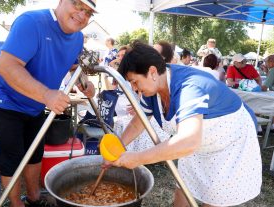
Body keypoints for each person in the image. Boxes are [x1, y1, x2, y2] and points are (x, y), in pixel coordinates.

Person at [110, 42, 261, 207]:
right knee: (183, 186)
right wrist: (117, 147)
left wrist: (137, 158)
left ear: (152, 72)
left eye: (134, 81)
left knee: (215, 197)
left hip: (228, 143)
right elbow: (138, 123)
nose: (134, 88)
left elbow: (188, 141)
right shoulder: (150, 89)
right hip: (195, 141)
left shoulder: (190, 86)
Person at [0, 0, 97, 206]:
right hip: (5, 99)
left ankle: (34, 198)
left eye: (88, 12)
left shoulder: (78, 38)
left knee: (35, 151)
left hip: (35, 102)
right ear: (62, 1)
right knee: (12, 155)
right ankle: (16, 203)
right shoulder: (32, 22)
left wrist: (84, 82)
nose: (82, 15)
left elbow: (73, 66)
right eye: (77, 5)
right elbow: (7, 67)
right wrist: (46, 95)